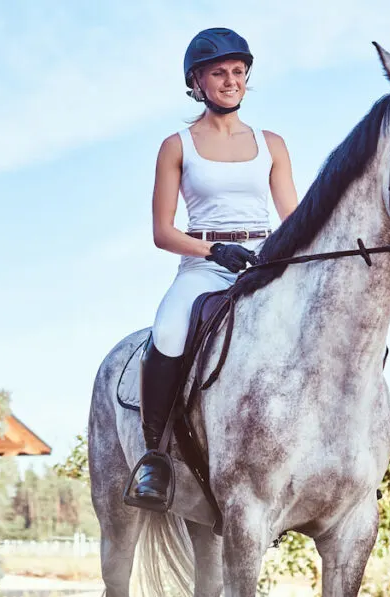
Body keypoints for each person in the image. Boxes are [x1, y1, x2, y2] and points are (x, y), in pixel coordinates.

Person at [128, 27, 299, 507]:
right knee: (167, 332)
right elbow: (163, 231)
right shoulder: (177, 145)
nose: (230, 81)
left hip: (263, 263)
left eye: (238, 72)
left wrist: (283, 254)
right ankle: (154, 458)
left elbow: (296, 219)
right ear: (197, 82)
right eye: (219, 73)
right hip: (203, 266)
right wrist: (213, 252)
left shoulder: (272, 144)